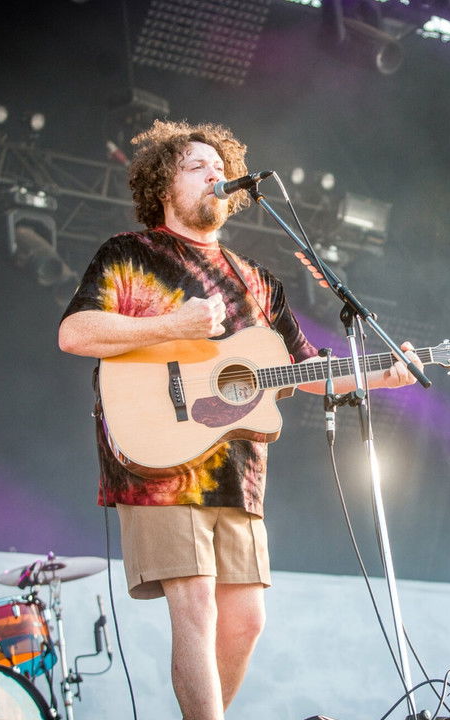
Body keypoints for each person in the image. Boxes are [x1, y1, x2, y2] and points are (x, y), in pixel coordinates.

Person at [57, 119, 421, 720]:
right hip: (161, 463)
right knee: (195, 605)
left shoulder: (258, 281)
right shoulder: (130, 253)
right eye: (197, 167)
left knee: (247, 621)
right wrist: (172, 325)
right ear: (163, 186)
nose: (215, 175)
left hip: (239, 467)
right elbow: (75, 332)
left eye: (219, 168)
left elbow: (304, 370)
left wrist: (381, 374)